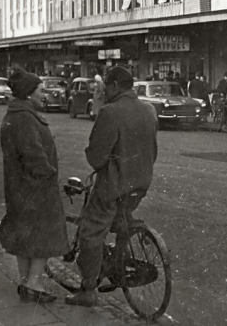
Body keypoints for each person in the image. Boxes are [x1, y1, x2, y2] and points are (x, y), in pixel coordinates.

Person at [66, 67, 158, 307]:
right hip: (139, 184)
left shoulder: (109, 112)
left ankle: (87, 290)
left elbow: (96, 158)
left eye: (106, 86)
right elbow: (151, 150)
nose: (103, 90)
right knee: (121, 220)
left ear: (116, 85)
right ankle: (119, 258)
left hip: (113, 187)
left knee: (90, 232)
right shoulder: (149, 109)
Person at [0, 69, 68, 303]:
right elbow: (32, 154)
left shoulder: (15, 114)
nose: (43, 94)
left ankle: (26, 282)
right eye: (40, 90)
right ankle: (35, 283)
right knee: (43, 236)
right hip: (35, 188)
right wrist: (48, 173)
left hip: (19, 187)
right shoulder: (26, 118)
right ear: (28, 93)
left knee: (24, 237)